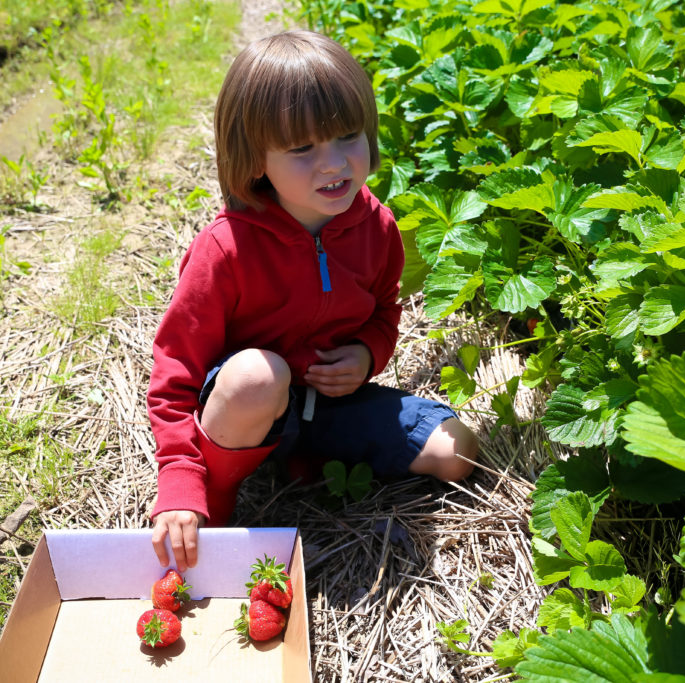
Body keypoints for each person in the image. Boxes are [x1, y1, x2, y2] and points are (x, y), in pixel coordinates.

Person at [147, 29, 478, 572]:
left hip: (328, 408)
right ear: (255, 160)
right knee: (258, 375)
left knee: (456, 450)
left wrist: (369, 354)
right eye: (303, 149)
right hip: (246, 409)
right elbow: (176, 367)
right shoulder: (225, 249)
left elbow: (384, 311)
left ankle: (305, 460)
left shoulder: (377, 227)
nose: (335, 164)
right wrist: (181, 478)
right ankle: (219, 502)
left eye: (349, 137)